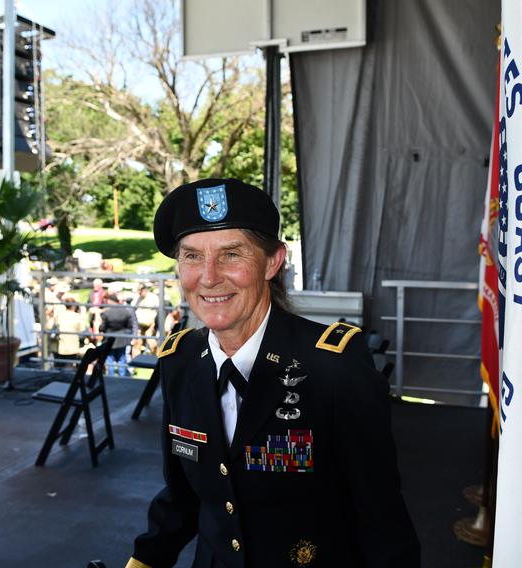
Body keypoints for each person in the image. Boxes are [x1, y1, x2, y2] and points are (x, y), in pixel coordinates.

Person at [126, 178, 419, 568]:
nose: (209, 277)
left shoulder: (333, 369)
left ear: (272, 262)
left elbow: (383, 524)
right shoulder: (180, 361)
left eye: (231, 254)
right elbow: (183, 497)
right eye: (192, 256)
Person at [100, 292, 137, 377]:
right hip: (122, 339)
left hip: (109, 340)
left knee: (110, 360)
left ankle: (111, 378)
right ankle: (122, 377)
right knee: (122, 360)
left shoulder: (106, 313)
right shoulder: (125, 312)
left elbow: (102, 327)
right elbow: (129, 326)